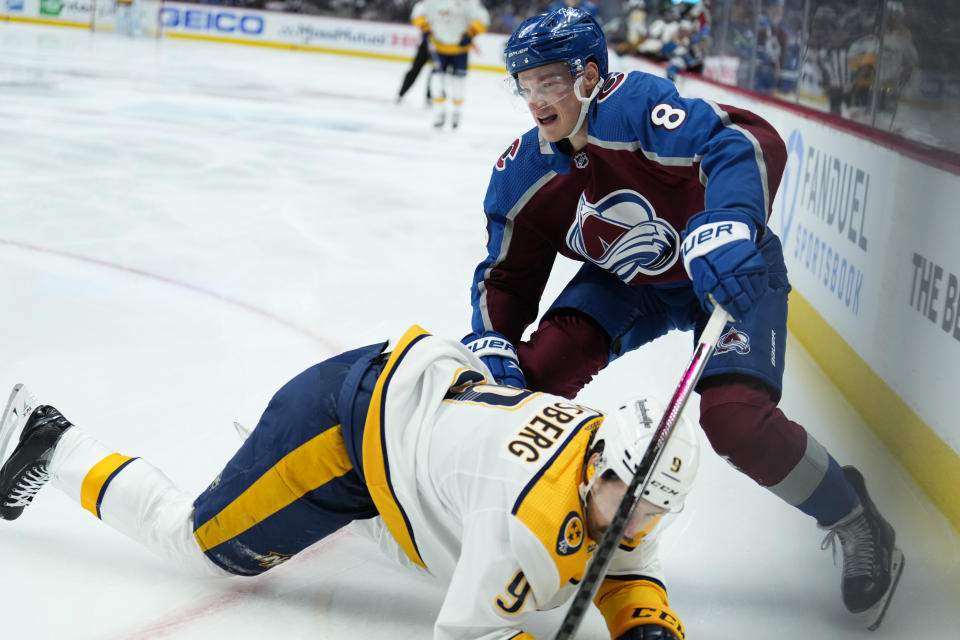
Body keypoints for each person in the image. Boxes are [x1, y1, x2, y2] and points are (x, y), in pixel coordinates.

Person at [462, 6, 904, 631]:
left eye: (550, 81)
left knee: (736, 423)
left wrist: (731, 223)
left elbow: (747, 140)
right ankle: (527, 512)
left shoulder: (636, 107)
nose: (536, 99)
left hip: (720, 268)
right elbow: (506, 275)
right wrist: (492, 340)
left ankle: (854, 515)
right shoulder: (525, 173)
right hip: (628, 283)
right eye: (525, 84)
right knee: (524, 381)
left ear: (589, 76)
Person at [0, 325, 700, 640]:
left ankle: (260, 451)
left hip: (409, 415)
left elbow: (629, 558)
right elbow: (471, 632)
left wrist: (645, 626)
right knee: (198, 546)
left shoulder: (603, 449)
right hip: (339, 431)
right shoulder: (524, 519)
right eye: (632, 502)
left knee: (420, 543)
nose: (639, 522)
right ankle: (47, 437)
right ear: (602, 465)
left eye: (656, 510)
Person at [411, 0, 490, 130]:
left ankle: (456, 112)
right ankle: (439, 112)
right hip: (439, 48)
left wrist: (471, 33)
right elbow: (419, 11)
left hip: (460, 51)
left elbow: (482, 17)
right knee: (436, 81)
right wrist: (424, 27)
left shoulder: (470, 2)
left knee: (458, 83)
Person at [397, 1, 433, 106]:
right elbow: (417, 17)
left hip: (441, 46)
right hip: (426, 44)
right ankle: (401, 93)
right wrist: (427, 31)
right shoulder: (425, 4)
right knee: (415, 70)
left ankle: (430, 98)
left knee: (436, 74)